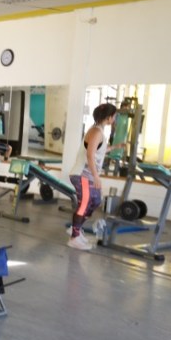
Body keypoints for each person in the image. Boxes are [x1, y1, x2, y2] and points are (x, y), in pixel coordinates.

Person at [67, 103, 125, 250]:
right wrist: (96, 176)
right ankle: (74, 237)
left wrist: (115, 147)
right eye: (114, 116)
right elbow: (90, 155)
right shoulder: (96, 132)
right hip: (82, 175)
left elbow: (99, 150)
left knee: (96, 201)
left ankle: (76, 228)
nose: (115, 118)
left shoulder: (99, 131)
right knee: (85, 204)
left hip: (88, 176)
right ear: (109, 117)